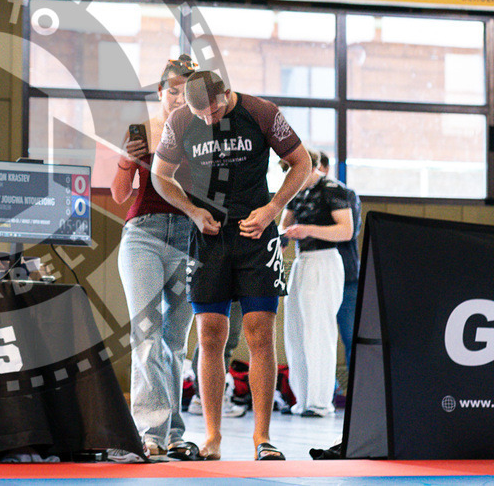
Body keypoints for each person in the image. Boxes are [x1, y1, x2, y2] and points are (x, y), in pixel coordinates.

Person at [152, 70, 311, 462]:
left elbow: (301, 162)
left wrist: (274, 208)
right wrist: (191, 211)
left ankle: (263, 438)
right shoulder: (181, 120)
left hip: (257, 235)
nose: (208, 120)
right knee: (209, 334)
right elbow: (161, 176)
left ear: (227, 94)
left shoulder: (261, 112)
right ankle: (212, 436)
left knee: (259, 334)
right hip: (208, 238)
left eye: (214, 111)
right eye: (199, 114)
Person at [109, 55, 198, 462]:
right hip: (142, 234)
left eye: (187, 91)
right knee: (147, 335)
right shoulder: (142, 131)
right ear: (161, 92)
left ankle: (173, 431)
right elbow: (118, 194)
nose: (180, 97)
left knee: (176, 342)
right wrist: (128, 160)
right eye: (173, 90)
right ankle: (149, 432)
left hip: (189, 237)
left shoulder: (203, 133)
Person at [278, 148, 352, 418]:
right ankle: (303, 398)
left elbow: (346, 230)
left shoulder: (333, 188)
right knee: (295, 331)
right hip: (302, 261)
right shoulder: (295, 189)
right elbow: (284, 225)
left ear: (313, 166)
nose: (293, 176)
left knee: (319, 332)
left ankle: (320, 402)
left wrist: (308, 230)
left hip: (325, 260)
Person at [317, 151, 362, 372]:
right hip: (316, 276)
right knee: (317, 339)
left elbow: (350, 232)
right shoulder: (303, 196)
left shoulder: (344, 194)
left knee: (352, 337)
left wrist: (314, 227)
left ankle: (357, 393)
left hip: (347, 277)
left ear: (324, 168)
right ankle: (326, 393)